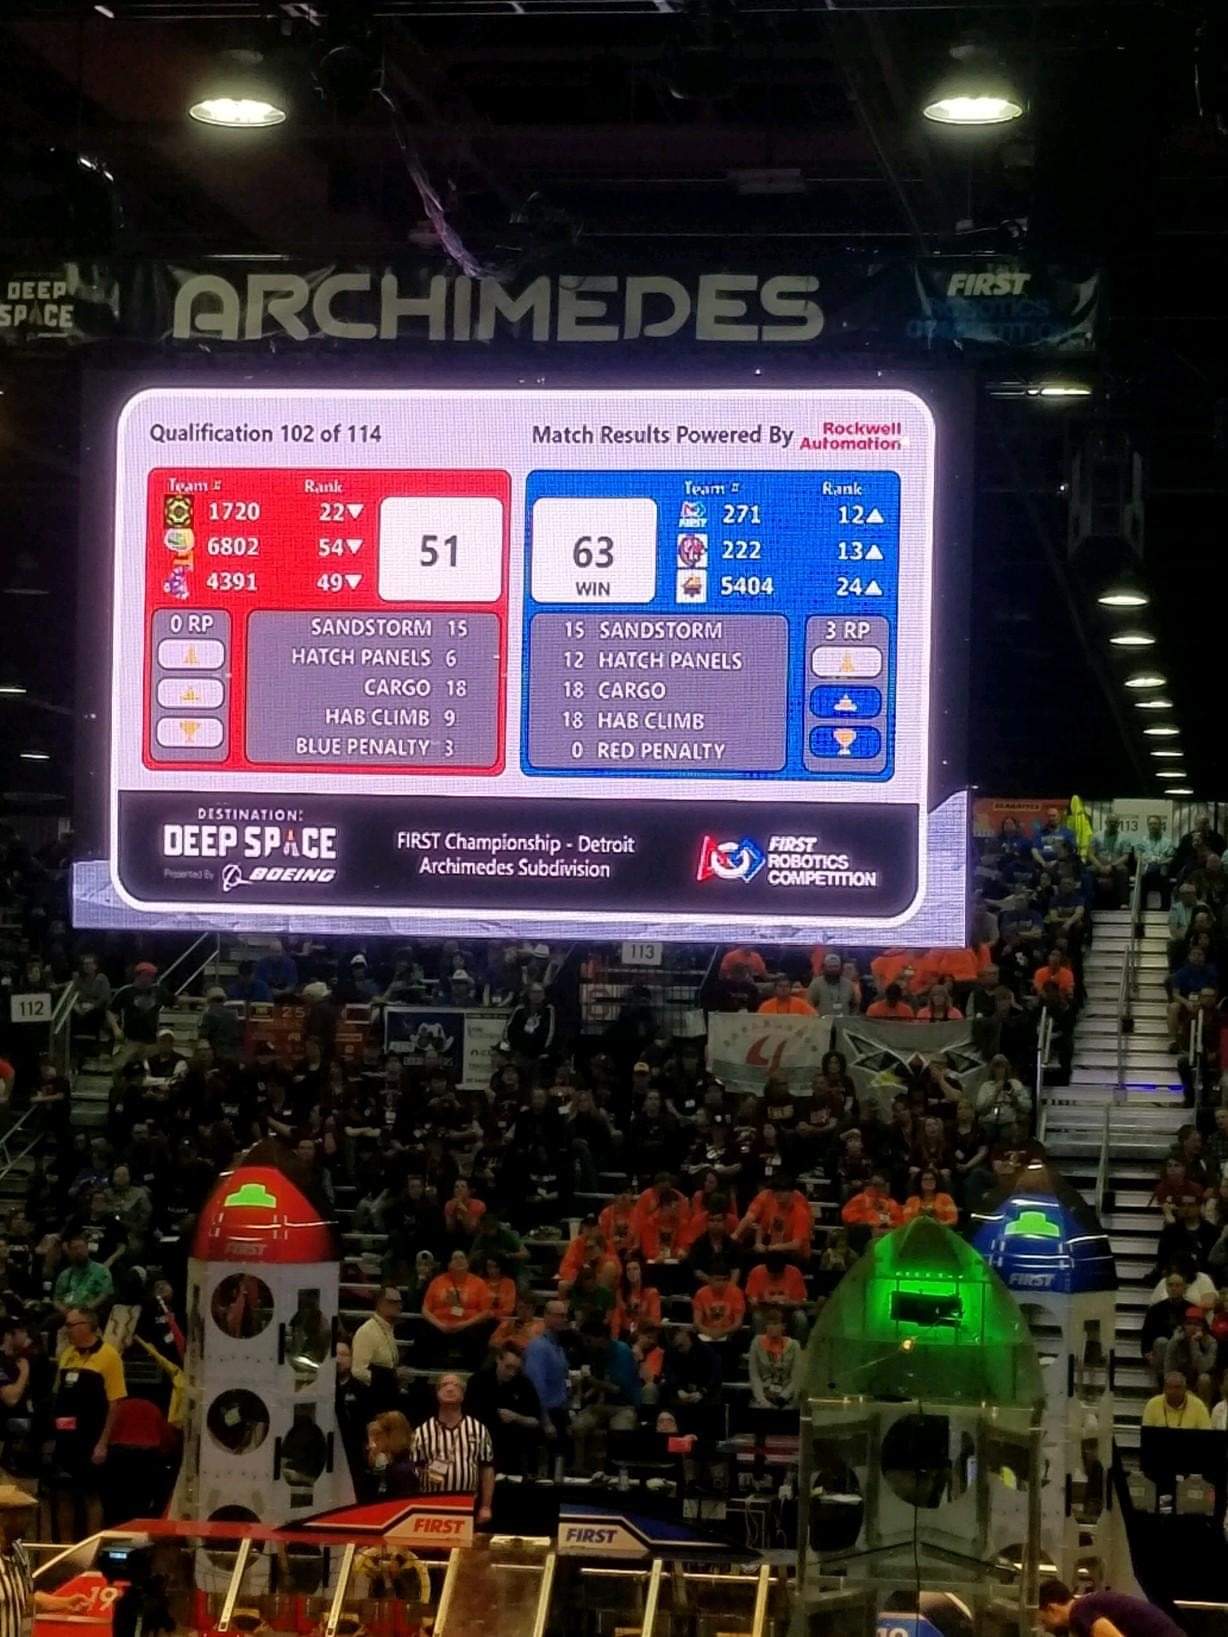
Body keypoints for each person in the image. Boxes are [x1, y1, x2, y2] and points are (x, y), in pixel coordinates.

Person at [50, 1308, 127, 1540]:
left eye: (71, 1325)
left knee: (90, 1495)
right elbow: (58, 1393)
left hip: (91, 1437)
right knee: (64, 1495)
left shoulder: (109, 1356)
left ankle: (92, 1548)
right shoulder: (67, 1355)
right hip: (65, 1437)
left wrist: (102, 1443)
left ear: (87, 1326)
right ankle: (65, 1549)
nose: (67, 1330)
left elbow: (115, 1403)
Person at [0, 1486, 93, 1627]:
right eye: (21, 1514)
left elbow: (22, 1598)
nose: (29, 1520)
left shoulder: (18, 1551)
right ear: (3, 1517)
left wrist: (65, 1602)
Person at [412, 1374, 495, 1524]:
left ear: (463, 1394)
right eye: (444, 1385)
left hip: (467, 1504)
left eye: (456, 1385)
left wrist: (486, 1506)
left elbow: (487, 1469)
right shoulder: (422, 1432)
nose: (450, 1388)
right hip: (431, 1506)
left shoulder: (478, 1429)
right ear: (437, 1393)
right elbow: (413, 1472)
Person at [463, 1344, 544, 1477]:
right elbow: (466, 1418)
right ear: (498, 1359)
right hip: (482, 1445)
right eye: (508, 1367)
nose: (512, 1373)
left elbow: (535, 1421)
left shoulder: (524, 1384)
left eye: (516, 1369)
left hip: (513, 1448)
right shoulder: (478, 1381)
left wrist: (516, 1417)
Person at [1037, 1577, 1185, 1637]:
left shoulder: (1079, 1613)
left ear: (1051, 1609)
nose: (1045, 1628)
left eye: (1043, 1621)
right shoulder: (1085, 1607)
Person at [420, 1251, 494, 1367]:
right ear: (449, 1265)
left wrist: (464, 1324)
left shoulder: (479, 1283)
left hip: (468, 1326)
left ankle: (471, 1366)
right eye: (455, 1258)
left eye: (462, 1257)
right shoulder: (437, 1281)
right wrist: (440, 1325)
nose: (459, 1260)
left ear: (468, 1263)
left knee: (480, 1331)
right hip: (440, 1325)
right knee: (423, 1330)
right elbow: (425, 1309)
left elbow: (485, 1311)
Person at [523, 1298, 571, 1450]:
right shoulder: (538, 1347)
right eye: (559, 1315)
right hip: (547, 1413)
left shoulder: (557, 1346)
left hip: (560, 1410)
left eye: (565, 1316)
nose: (563, 1320)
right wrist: (546, 1422)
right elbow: (536, 1387)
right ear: (546, 1316)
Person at [351, 1288, 404, 1408]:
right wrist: (389, 1379)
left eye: (399, 1302)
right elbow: (358, 1371)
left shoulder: (388, 1328)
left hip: (388, 1393)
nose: (399, 1306)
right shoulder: (367, 1331)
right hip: (373, 1397)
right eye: (393, 1302)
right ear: (380, 1304)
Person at [748, 1308, 803, 1409]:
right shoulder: (756, 1343)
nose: (771, 1327)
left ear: (783, 1326)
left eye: (775, 1324)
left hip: (786, 1395)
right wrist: (762, 1400)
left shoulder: (794, 1346)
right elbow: (754, 1375)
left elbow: (796, 1377)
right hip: (764, 1394)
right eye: (769, 1324)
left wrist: (783, 1397)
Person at [1162, 1305, 1216, 1403]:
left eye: (1197, 1324)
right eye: (1189, 1324)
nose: (1192, 1327)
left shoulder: (1210, 1343)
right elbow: (1168, 1369)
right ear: (1183, 1326)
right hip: (1181, 1381)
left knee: (1204, 1379)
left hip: (1201, 1384)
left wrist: (1194, 1343)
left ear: (1203, 1327)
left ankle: (1204, 1409)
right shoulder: (1175, 1341)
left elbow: (1203, 1368)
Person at [365, 1410, 418, 1499]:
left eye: (378, 1434)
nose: (374, 1441)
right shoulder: (390, 1465)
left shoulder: (402, 1472)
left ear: (392, 1435)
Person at [1140, 1370, 1212, 1429]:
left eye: (1177, 1387)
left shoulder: (1198, 1405)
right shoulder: (1152, 1404)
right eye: (1170, 1387)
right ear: (1164, 1389)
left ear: (1185, 1389)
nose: (1173, 1391)